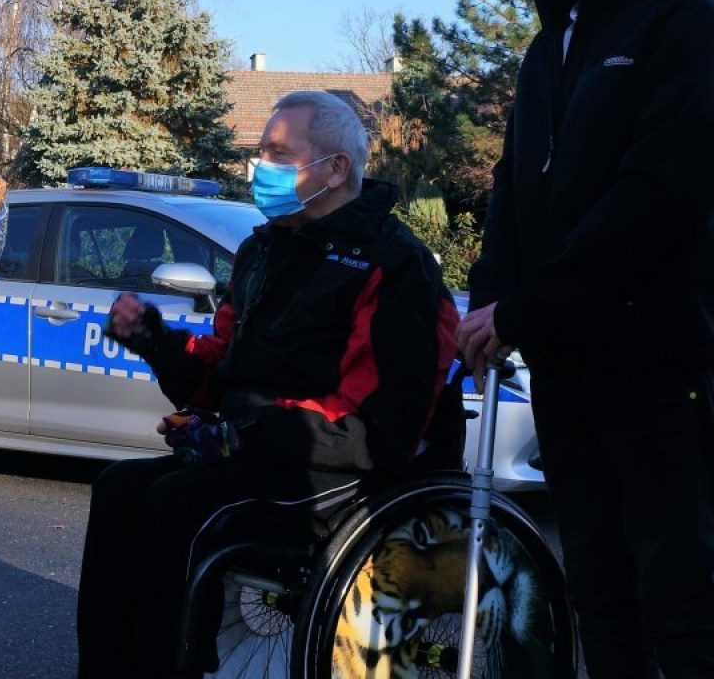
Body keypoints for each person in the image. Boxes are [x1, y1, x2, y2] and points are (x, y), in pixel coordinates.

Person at [457, 0, 714, 678]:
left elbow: (656, 199)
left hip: (654, 365)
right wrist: (489, 305)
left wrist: (525, 309)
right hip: (565, 365)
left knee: (678, 600)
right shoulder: (546, 51)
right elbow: (513, 193)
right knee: (599, 592)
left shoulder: (687, 26)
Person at [76, 90, 460, 678]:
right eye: (260, 152)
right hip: (258, 451)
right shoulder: (262, 250)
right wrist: (153, 339)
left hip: (334, 469)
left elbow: (376, 427)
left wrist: (244, 434)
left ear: (336, 168)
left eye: (279, 153)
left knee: (175, 506)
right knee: (118, 488)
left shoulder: (394, 263)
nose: (260, 167)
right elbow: (220, 374)